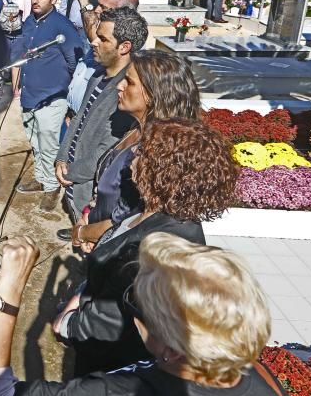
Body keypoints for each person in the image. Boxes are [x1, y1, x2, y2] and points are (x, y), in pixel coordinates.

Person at [0, 230, 292, 396]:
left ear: (172, 347)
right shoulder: (265, 385)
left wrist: (8, 288)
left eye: (134, 301)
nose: (130, 307)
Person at [55, 118, 239, 375]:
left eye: (142, 151)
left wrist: (67, 323)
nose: (133, 151)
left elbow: (104, 326)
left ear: (164, 170)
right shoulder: (155, 212)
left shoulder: (156, 249)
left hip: (111, 370)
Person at [72, 50, 202, 249]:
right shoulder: (134, 129)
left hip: (120, 250)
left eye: (129, 82)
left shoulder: (155, 155)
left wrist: (82, 233)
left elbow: (131, 220)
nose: (119, 85)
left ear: (153, 94)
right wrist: (89, 215)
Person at [55, 6, 147, 221]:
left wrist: (71, 172)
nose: (94, 42)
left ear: (124, 47)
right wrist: (61, 158)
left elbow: (107, 150)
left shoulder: (128, 92)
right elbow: (77, 119)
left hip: (88, 190)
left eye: (103, 39)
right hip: (72, 179)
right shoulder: (98, 75)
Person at [15, 0, 82, 201]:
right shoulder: (29, 21)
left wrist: (68, 97)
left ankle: (52, 186)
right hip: (30, 94)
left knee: (49, 142)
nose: (35, 1)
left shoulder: (62, 26)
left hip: (52, 96)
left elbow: (75, 62)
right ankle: (41, 177)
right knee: (35, 141)